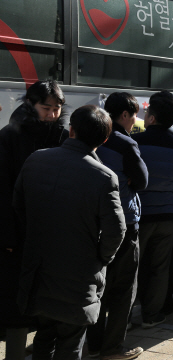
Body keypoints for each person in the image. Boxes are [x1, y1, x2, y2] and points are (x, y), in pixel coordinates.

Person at [13, 105, 126, 360]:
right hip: (79, 276)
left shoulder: (36, 160)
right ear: (104, 140)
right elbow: (116, 230)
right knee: (71, 342)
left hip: (38, 270)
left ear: (71, 130)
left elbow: (18, 207)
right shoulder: (104, 177)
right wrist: (100, 258)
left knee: (43, 336)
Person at [0, 80, 68, 360]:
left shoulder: (63, 137)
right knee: (16, 301)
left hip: (52, 233)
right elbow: (2, 190)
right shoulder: (9, 136)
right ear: (30, 104)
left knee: (48, 302)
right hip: (18, 233)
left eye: (56, 108)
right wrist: (8, 236)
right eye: (45, 108)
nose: (51, 114)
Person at [87, 93, 147, 360]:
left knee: (98, 286)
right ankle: (112, 348)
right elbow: (142, 181)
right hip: (123, 223)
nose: (136, 121)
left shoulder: (84, 138)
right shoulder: (125, 143)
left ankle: (95, 343)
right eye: (134, 115)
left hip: (90, 224)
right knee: (123, 289)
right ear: (124, 115)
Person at [132, 91, 173, 328]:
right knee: (161, 267)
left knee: (133, 266)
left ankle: (126, 317)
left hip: (139, 215)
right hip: (169, 213)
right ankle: (152, 315)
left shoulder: (135, 142)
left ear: (152, 118)